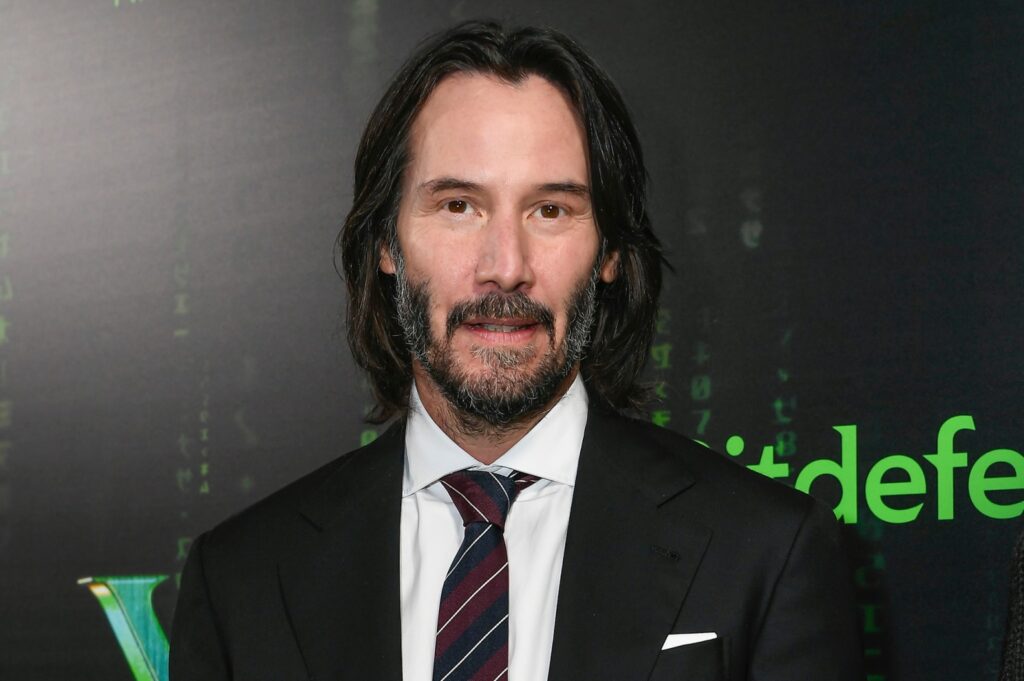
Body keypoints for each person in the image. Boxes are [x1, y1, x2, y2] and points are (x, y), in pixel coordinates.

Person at [170, 20, 862, 681]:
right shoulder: (240, 580)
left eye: (550, 210)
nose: (505, 267)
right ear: (385, 242)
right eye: (458, 206)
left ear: (611, 252)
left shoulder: (767, 552)